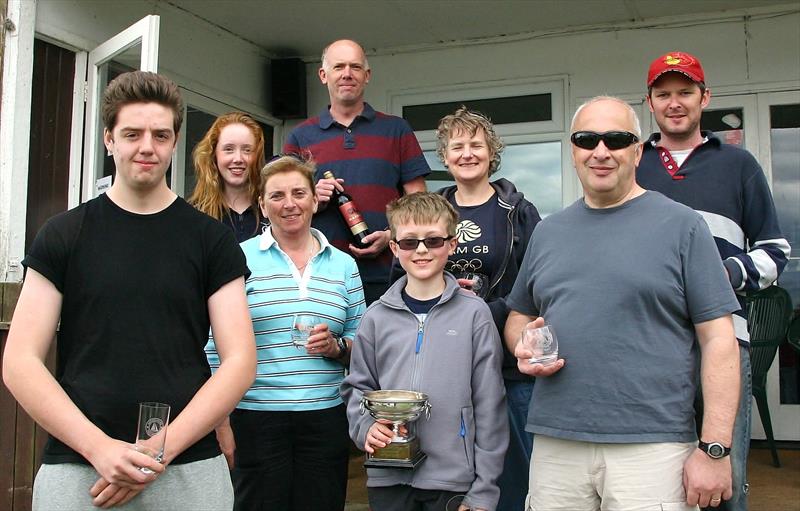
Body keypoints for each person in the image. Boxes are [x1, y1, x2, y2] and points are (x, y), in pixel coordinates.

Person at [2, 71, 256, 510]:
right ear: (108, 140)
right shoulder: (63, 234)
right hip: (79, 471)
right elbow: (20, 360)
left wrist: (157, 451)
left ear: (175, 142)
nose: (146, 147)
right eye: (132, 133)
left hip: (187, 468)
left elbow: (239, 361)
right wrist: (100, 448)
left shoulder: (211, 240)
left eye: (160, 135)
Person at [505, 96, 741, 510]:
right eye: (586, 139)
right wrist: (521, 343)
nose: (600, 151)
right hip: (557, 443)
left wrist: (715, 448)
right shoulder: (548, 232)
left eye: (616, 139)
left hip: (653, 447)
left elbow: (720, 340)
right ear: (573, 150)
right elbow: (520, 315)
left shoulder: (682, 225)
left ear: (637, 151)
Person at [637, 51, 791, 511]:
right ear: (650, 103)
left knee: (725, 475)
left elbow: (776, 251)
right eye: (663, 94)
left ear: (705, 98)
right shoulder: (632, 164)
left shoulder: (738, 165)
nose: (675, 102)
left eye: (685, 92)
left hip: (723, 339)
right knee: (655, 478)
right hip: (649, 341)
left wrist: (724, 275)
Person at [205, 154, 365, 511]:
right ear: (262, 203)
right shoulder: (236, 258)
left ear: (314, 199)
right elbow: (214, 347)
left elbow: (363, 345)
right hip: (255, 417)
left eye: (298, 193)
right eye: (277, 195)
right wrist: (221, 421)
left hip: (324, 416)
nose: (289, 204)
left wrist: (337, 347)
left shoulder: (344, 265)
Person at [341, 192, 508, 511]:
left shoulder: (475, 315)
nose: (420, 250)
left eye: (433, 240)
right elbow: (358, 387)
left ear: (452, 244)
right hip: (388, 478)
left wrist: (484, 489)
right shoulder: (375, 317)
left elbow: (490, 405)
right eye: (409, 242)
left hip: (454, 480)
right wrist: (366, 428)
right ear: (394, 248)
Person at [435, 106, 540, 511]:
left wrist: (489, 312)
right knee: (456, 473)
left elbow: (537, 281)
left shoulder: (518, 211)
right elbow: (403, 276)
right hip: (448, 362)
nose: (467, 153)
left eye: (476, 144)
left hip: (508, 363)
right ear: (444, 156)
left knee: (516, 476)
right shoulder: (430, 210)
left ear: (491, 152)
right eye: (457, 146)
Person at [283, 39, 430, 305]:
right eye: (339, 67)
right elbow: (283, 205)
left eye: (355, 67)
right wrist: (312, 196)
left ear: (367, 75)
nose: (347, 74)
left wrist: (392, 236)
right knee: (325, 347)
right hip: (321, 275)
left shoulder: (396, 130)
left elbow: (419, 201)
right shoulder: (300, 136)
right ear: (323, 75)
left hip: (388, 276)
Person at [189, 111, 267, 242]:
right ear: (214, 155)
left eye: (247, 150)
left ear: (257, 156)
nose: (238, 159)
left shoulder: (272, 209)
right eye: (229, 149)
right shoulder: (194, 214)